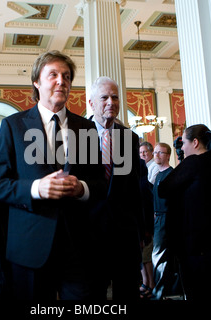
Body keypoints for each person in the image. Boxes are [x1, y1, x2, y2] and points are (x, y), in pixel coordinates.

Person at [0, 50, 106, 300]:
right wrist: (35, 189)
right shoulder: (13, 125)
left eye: (66, 76)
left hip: (78, 245)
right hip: (30, 245)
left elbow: (100, 183)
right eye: (53, 74)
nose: (61, 81)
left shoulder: (85, 127)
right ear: (37, 82)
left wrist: (81, 188)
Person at [158, 124, 211, 300]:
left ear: (195, 142)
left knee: (197, 294)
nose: (182, 148)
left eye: (184, 143)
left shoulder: (193, 163)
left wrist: (182, 161)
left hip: (196, 248)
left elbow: (163, 189)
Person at [87, 76, 143, 300]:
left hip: (125, 233)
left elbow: (135, 187)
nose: (111, 102)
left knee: (127, 291)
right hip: (89, 231)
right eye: (104, 97)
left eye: (115, 97)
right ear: (91, 103)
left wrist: (141, 229)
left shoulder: (129, 138)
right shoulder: (77, 133)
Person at [150, 142, 181, 300]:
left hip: (166, 219)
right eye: (155, 152)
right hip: (158, 218)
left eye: (160, 152)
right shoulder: (158, 175)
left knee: (160, 257)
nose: (156, 155)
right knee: (158, 257)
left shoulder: (171, 174)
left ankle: (160, 293)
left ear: (168, 155)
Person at [138, 142, 155, 298]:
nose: (142, 154)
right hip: (142, 222)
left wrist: (147, 228)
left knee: (146, 257)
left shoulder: (146, 172)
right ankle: (146, 282)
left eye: (145, 151)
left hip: (145, 223)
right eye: (140, 152)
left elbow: (146, 200)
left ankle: (150, 284)